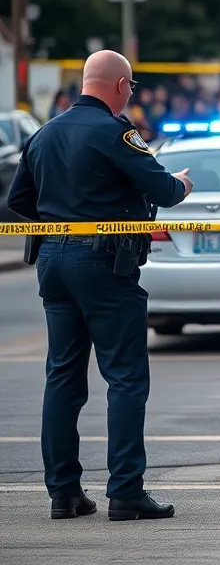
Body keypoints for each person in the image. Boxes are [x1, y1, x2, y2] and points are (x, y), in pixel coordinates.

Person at [7, 50, 193, 522]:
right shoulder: (117, 132)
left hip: (52, 259)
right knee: (126, 377)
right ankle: (126, 491)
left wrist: (64, 217)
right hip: (104, 263)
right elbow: (164, 191)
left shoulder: (44, 134)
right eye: (130, 87)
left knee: (63, 376)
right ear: (118, 85)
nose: (130, 94)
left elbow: (18, 200)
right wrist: (183, 183)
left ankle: (64, 494)